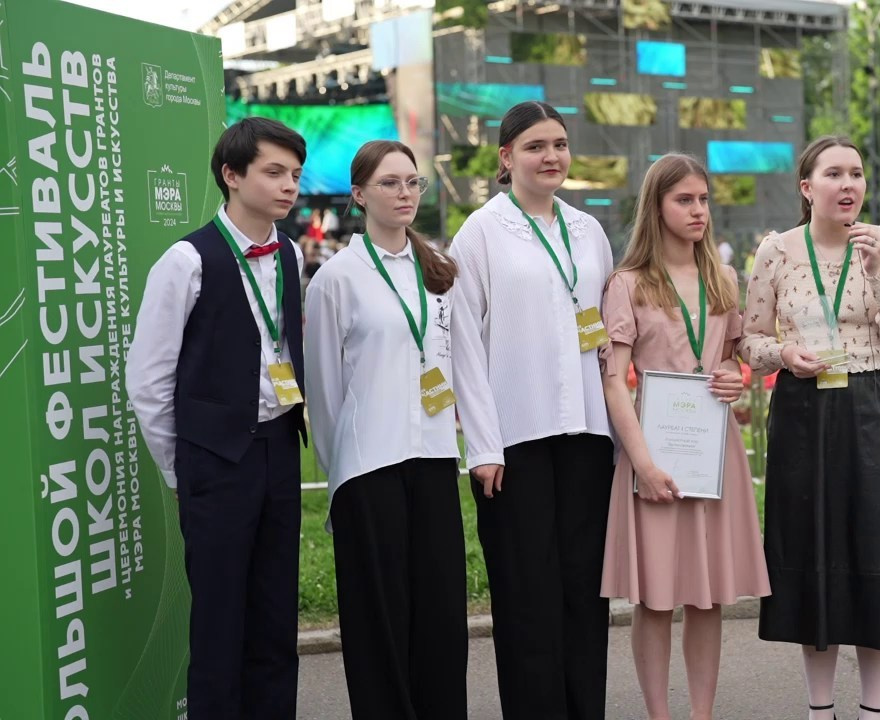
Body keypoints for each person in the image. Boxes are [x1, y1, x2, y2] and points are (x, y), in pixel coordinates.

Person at [126, 117, 307, 718]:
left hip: (280, 448)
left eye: (295, 174)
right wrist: (180, 468)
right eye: (274, 172)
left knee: (276, 616)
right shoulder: (186, 260)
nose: (289, 186)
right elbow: (148, 379)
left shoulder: (291, 252)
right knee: (219, 622)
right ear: (231, 175)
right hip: (215, 461)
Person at [741, 136, 880, 720]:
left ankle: (873, 708)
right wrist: (784, 355)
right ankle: (819, 709)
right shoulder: (776, 251)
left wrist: (876, 275)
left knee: (877, 545)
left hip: (873, 403)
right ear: (807, 187)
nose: (848, 185)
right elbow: (749, 341)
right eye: (834, 174)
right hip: (804, 408)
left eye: (856, 174)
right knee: (812, 548)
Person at [449, 101, 615, 720]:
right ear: (506, 156)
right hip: (514, 441)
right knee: (526, 597)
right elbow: (463, 345)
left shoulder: (588, 230)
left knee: (585, 594)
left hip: (588, 436)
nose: (551, 157)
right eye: (536, 146)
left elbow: (605, 329)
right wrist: (483, 446)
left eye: (560, 144)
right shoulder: (480, 233)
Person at [599, 154, 772, 720]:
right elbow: (614, 381)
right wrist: (643, 465)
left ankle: (702, 714)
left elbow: (731, 360)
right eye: (684, 200)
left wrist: (734, 375)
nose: (698, 210)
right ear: (656, 206)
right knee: (654, 599)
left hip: (713, 452)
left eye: (702, 199)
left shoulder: (722, 278)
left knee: (707, 595)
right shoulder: (627, 284)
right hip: (652, 452)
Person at [303, 140, 467, 719]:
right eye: (390, 183)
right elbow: (324, 391)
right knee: (379, 620)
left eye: (412, 182)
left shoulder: (438, 270)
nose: (405, 193)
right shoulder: (336, 279)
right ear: (358, 195)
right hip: (368, 466)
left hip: (435, 459)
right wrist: (339, 470)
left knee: (441, 613)